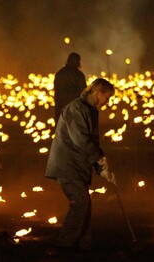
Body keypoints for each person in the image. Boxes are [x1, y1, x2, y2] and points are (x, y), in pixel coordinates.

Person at [46, 78, 116, 251]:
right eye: (106, 97)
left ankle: (84, 244)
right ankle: (64, 245)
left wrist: (101, 166)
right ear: (98, 92)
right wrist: (98, 160)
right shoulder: (76, 109)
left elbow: (92, 140)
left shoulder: (90, 110)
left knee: (84, 205)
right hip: (67, 164)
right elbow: (80, 140)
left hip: (77, 165)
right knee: (80, 203)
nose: (107, 102)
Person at [54, 52, 87, 123]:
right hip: (74, 110)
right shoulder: (79, 75)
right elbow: (83, 93)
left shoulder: (59, 73)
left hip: (60, 109)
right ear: (77, 61)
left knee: (61, 131)